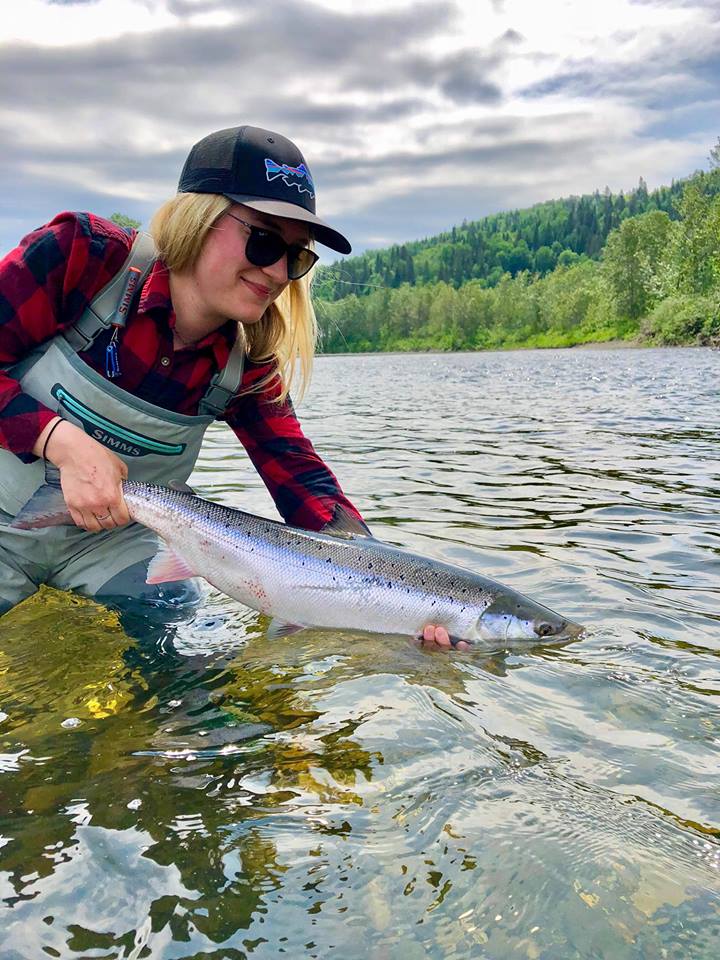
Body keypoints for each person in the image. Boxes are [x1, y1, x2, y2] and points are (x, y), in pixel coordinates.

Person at [0, 124, 460, 650]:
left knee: (184, 673)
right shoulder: (82, 259)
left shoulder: (247, 366)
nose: (279, 272)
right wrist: (59, 440)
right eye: (264, 240)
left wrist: (396, 596)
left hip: (111, 544)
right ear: (198, 219)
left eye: (297, 256)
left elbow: (303, 481)